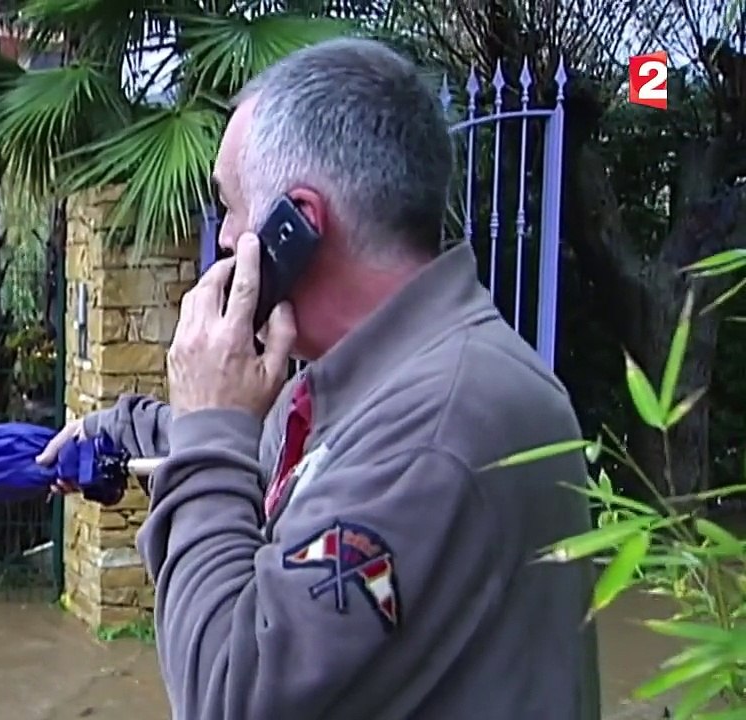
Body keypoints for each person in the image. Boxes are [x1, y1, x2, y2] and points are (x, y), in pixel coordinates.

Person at [37, 38, 601, 719]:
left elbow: (227, 695)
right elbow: (271, 453)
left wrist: (211, 425)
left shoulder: (438, 427)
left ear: (295, 225)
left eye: (233, 208)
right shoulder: (381, 380)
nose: (223, 240)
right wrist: (119, 431)